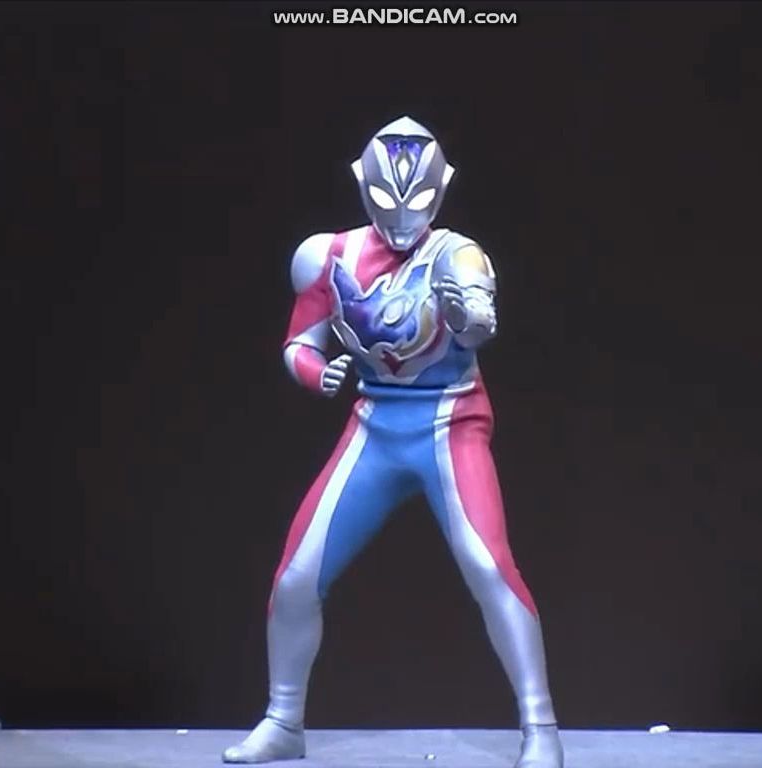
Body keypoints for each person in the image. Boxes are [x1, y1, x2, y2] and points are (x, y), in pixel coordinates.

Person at [223, 116, 565, 768]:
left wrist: (464, 314)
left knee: (488, 565)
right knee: (297, 577)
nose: (402, 216)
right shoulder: (329, 256)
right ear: (363, 186)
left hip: (449, 421)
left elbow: (479, 325)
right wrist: (314, 372)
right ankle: (283, 719)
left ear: (442, 190)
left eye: (418, 199)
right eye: (386, 198)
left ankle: (540, 725)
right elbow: (298, 343)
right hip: (376, 424)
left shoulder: (458, 255)